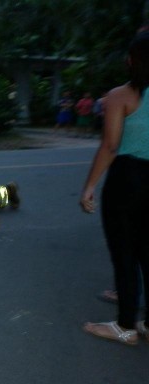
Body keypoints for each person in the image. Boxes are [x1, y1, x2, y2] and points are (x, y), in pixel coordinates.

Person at [79, 31, 149, 346]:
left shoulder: (120, 96)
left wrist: (89, 186)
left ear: (133, 60)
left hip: (128, 179)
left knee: (125, 252)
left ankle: (125, 326)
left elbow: (110, 146)